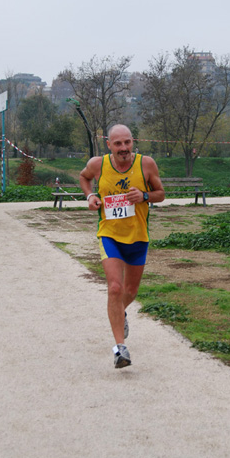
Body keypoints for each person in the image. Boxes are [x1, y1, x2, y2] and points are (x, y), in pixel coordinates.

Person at [79, 124, 165, 368]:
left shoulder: (146, 164)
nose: (124, 148)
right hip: (110, 235)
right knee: (115, 288)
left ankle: (119, 313)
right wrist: (90, 197)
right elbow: (84, 178)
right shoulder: (98, 164)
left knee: (130, 292)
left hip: (138, 237)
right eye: (118, 144)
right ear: (109, 145)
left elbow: (161, 193)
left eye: (127, 142)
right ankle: (120, 349)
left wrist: (145, 196)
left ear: (132, 142)